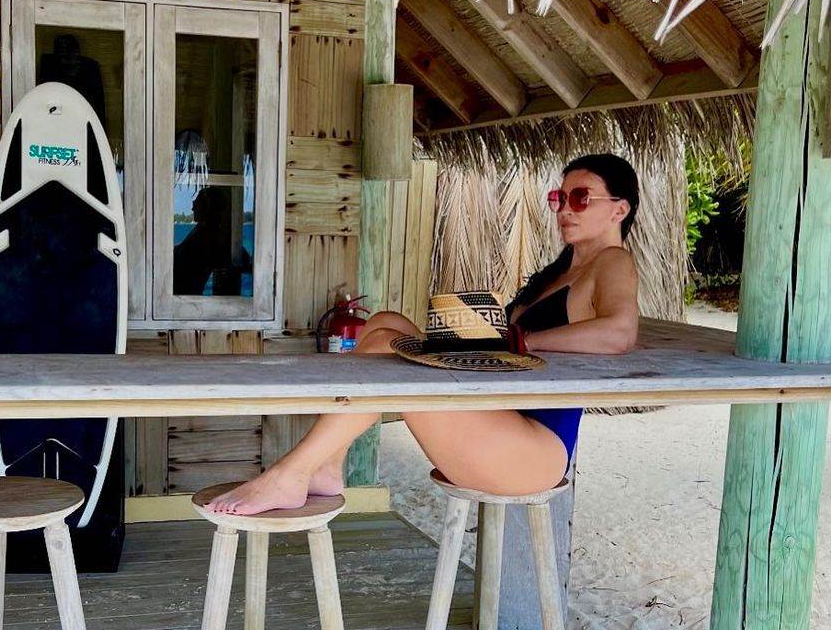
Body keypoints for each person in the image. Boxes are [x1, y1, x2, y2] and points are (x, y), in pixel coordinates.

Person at [206, 153, 641, 515]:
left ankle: (292, 472)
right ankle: (326, 464)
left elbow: (619, 333)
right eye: (559, 197)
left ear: (618, 210)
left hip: (532, 451)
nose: (564, 209)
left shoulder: (612, 262)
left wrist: (526, 341)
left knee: (384, 348)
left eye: (580, 198)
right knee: (386, 323)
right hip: (497, 418)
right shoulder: (560, 272)